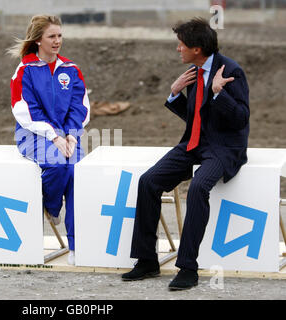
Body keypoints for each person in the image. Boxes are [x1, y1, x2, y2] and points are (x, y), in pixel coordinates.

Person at [122, 18, 249, 290]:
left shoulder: (231, 71)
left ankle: (187, 266)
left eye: (181, 45)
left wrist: (219, 93)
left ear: (197, 48)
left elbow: (241, 119)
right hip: (194, 144)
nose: (178, 49)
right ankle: (146, 260)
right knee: (148, 182)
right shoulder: (195, 71)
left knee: (197, 188)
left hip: (223, 149)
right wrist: (175, 93)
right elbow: (197, 119)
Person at [8, 15, 90, 265]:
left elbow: (80, 106)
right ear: (38, 40)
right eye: (51, 36)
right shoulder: (25, 70)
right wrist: (54, 136)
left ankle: (76, 247)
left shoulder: (71, 69)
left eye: (60, 36)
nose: (57, 41)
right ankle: (52, 208)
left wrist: (71, 136)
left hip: (67, 136)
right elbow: (25, 109)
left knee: (76, 172)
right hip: (32, 134)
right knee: (56, 163)